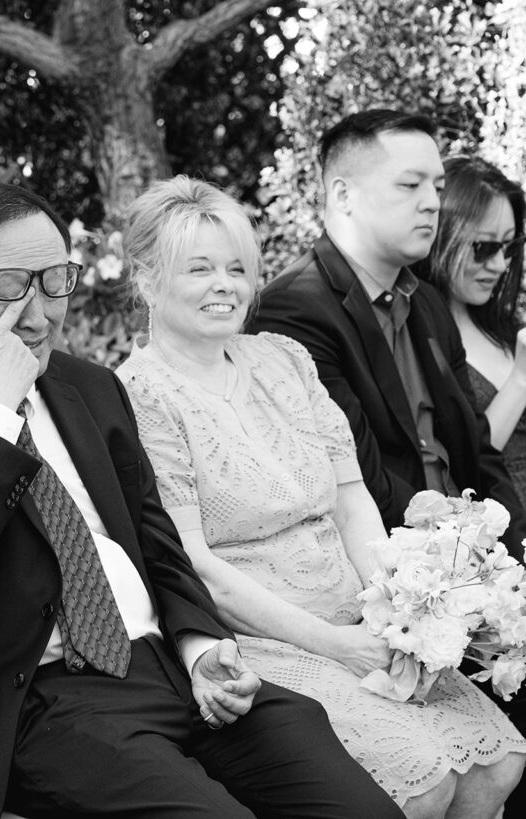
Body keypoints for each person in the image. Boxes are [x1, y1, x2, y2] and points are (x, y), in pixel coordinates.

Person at [0, 180, 404, 819]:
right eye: (10, 286)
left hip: (171, 671)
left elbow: (157, 544)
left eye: (55, 282)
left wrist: (199, 645)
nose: (39, 315)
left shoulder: (88, 386)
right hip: (28, 697)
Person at [116, 174, 526, 817]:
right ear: (146, 280)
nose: (225, 285)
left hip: (360, 611)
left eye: (237, 269)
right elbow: (195, 566)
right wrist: (338, 645)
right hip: (262, 636)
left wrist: (397, 610)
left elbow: (353, 499)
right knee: (424, 786)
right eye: (199, 269)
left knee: (499, 765)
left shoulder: (285, 358)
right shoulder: (139, 395)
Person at [250, 109, 526, 558]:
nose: (432, 203)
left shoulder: (427, 302)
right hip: (395, 563)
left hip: (478, 557)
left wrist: (515, 555)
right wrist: (460, 557)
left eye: (437, 188)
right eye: (410, 185)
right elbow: (357, 479)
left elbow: (478, 452)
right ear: (343, 195)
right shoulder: (293, 311)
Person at [412, 156, 526, 505]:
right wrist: (521, 380)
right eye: (484, 248)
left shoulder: (504, 325)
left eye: (509, 246)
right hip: (499, 524)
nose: (500, 264)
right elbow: (465, 461)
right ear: (442, 236)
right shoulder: (416, 337)